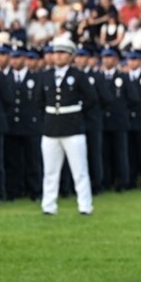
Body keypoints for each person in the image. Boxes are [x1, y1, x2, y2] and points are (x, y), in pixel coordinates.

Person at [38, 37, 94, 215]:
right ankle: (49, 206)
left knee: (79, 170)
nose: (58, 56)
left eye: (62, 53)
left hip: (72, 127)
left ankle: (85, 206)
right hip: (51, 128)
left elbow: (91, 98)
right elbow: (39, 100)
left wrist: (76, 113)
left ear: (71, 56)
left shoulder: (78, 76)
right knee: (50, 171)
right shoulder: (45, 76)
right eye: (56, 53)